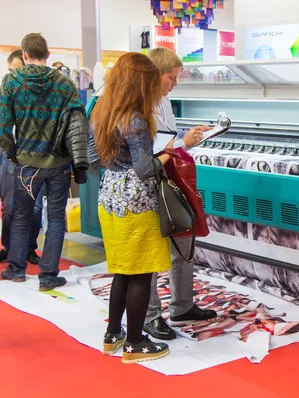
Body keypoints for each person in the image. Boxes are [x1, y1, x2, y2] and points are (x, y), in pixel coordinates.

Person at [88, 52, 172, 363]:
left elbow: (93, 159)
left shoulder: (102, 112)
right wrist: (170, 153)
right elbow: (144, 169)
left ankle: (114, 334)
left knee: (122, 269)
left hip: (110, 196)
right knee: (141, 272)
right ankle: (135, 343)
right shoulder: (135, 119)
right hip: (136, 202)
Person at [0, 33, 88, 290]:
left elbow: (3, 126)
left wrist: (13, 152)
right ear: (48, 55)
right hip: (59, 164)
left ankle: (16, 270)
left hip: (26, 164)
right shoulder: (65, 84)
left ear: (24, 55)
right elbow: (77, 125)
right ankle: (48, 275)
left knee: (20, 216)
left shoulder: (10, 82)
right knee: (56, 218)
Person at [142, 47, 217, 341]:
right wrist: (181, 143)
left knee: (183, 240)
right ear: (155, 76)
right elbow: (146, 154)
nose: (175, 83)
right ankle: (150, 316)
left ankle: (183, 305)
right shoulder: (139, 107)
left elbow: (167, 139)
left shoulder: (165, 100)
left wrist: (188, 139)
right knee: (151, 251)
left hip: (172, 177)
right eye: (171, 78)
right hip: (150, 183)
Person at [0, 50, 44, 265]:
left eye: (14, 70)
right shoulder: (7, 90)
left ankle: (29, 248)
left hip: (36, 156)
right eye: (9, 71)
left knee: (35, 208)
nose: (11, 75)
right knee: (9, 206)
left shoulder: (41, 93)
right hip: (11, 155)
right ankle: (8, 247)